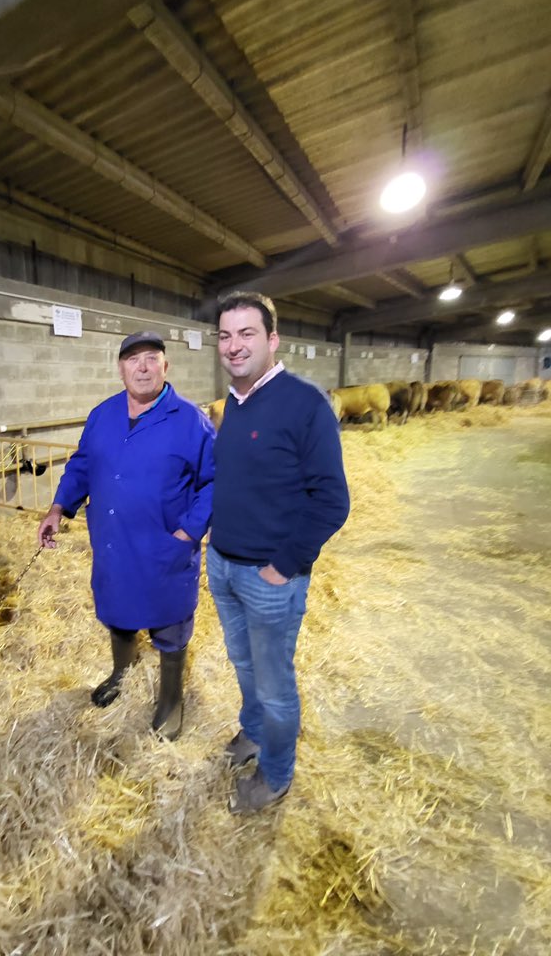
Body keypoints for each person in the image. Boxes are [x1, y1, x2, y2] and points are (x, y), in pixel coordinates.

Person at [207, 292, 350, 813]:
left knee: (273, 685)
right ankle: (253, 733)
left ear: (273, 340)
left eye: (247, 333)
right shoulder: (233, 404)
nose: (234, 345)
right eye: (225, 335)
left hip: (268, 577)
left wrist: (283, 565)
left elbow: (332, 501)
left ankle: (275, 774)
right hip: (223, 565)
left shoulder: (305, 404)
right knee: (243, 664)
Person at [37, 330, 215, 740]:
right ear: (120, 369)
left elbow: (215, 481)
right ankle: (122, 672)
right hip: (113, 542)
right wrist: (58, 507)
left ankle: (170, 699)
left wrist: (188, 531)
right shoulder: (103, 415)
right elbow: (82, 465)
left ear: (166, 366)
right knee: (117, 611)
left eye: (152, 358)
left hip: (163, 545)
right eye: (133, 359)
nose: (143, 367)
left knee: (169, 623)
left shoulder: (191, 421)